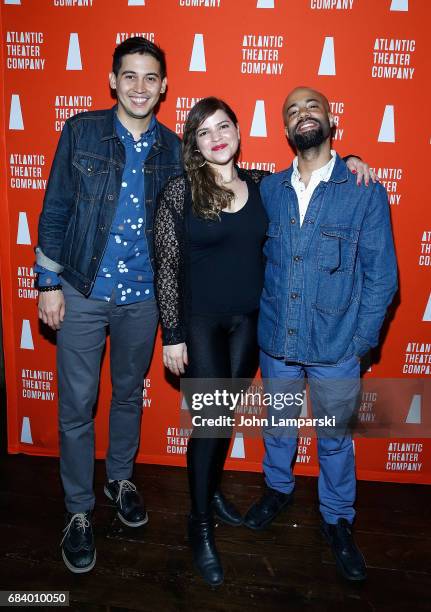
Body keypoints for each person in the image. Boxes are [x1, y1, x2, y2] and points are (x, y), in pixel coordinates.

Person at [154, 96, 375, 586]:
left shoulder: (262, 185)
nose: (217, 136)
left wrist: (353, 156)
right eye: (205, 129)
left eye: (224, 126)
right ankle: (200, 525)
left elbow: (318, 167)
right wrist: (171, 333)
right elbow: (165, 268)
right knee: (210, 422)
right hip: (200, 323)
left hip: (254, 322)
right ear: (194, 140)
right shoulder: (178, 190)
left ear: (239, 132)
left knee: (228, 415)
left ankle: (211, 491)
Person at [35, 37, 182, 573]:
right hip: (80, 290)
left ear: (164, 86)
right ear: (112, 80)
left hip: (142, 299)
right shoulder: (81, 131)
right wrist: (47, 283)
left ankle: (120, 478)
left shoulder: (173, 147)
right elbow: (55, 209)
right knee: (77, 406)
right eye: (130, 76)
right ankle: (78, 510)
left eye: (150, 78)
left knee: (126, 396)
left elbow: (228, 182)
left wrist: (338, 159)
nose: (140, 87)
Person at [243, 86, 398, 582]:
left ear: (332, 121)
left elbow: (382, 276)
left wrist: (358, 343)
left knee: (334, 439)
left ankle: (337, 518)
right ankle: (278, 488)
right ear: (286, 131)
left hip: (337, 347)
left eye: (312, 107)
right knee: (280, 425)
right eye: (292, 111)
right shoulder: (268, 190)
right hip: (279, 342)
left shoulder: (364, 189)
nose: (302, 115)